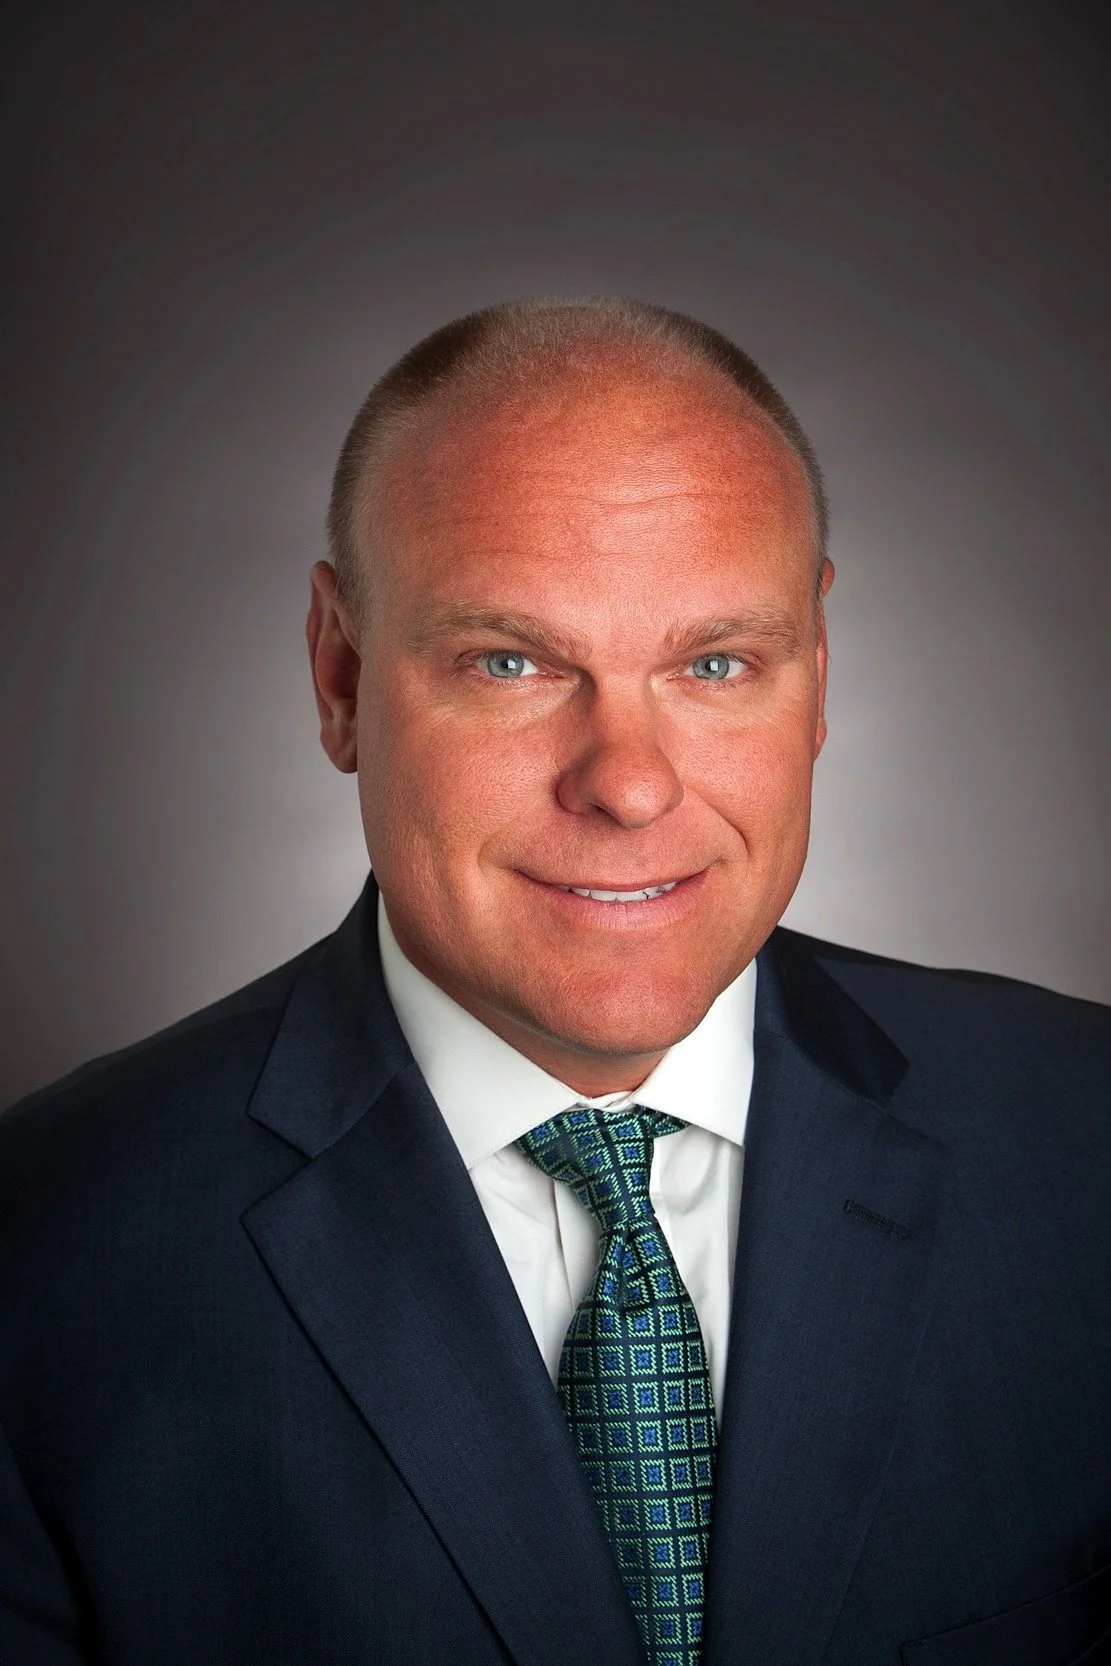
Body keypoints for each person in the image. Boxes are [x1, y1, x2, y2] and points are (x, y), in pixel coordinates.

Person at [1, 297, 1108, 1666]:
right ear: (339, 673)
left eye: (713, 663)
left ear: (814, 671)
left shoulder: (1082, 1143)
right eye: (510, 662)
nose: (629, 780)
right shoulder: (39, 1260)